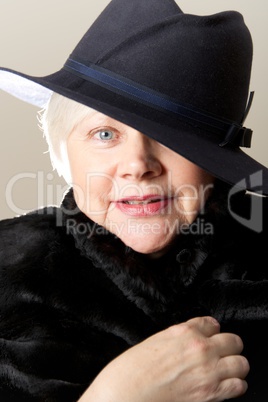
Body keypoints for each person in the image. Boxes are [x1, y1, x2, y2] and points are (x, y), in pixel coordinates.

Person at [0, 0, 268, 401]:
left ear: (214, 161)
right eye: (105, 134)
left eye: (171, 137)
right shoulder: (10, 272)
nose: (138, 165)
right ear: (64, 150)